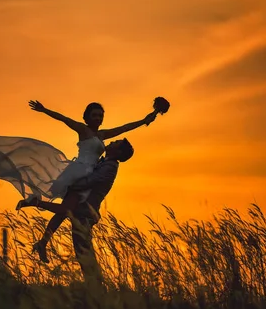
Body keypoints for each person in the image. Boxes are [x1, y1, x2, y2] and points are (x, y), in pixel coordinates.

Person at [16, 97, 169, 262]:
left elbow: (125, 128)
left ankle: (42, 243)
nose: (98, 118)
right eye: (94, 115)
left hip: (91, 172)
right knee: (65, 210)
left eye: (100, 115)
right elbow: (64, 119)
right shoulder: (83, 130)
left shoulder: (103, 134)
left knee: (64, 211)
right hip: (80, 171)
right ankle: (34, 203)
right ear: (87, 117)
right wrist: (44, 110)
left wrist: (145, 119)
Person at [21, 138, 134, 282]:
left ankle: (96, 286)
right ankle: (94, 285)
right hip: (82, 206)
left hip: (86, 212)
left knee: (84, 253)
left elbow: (92, 180)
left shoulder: (110, 166)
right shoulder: (104, 161)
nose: (111, 142)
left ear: (118, 152)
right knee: (82, 250)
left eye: (115, 143)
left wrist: (71, 185)